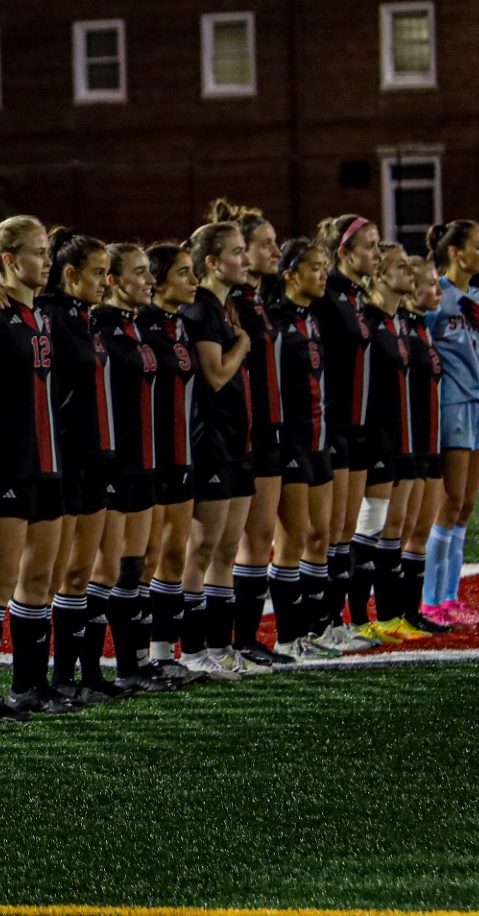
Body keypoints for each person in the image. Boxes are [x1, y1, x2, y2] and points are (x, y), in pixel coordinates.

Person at [0, 215, 66, 719]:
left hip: (47, 462)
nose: (48, 262)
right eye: (38, 252)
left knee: (41, 579)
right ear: (9, 259)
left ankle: (31, 684)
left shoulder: (40, 314)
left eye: (48, 252)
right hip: (5, 463)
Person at [35, 229, 123, 702]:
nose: (105, 282)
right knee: (59, 573)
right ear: (69, 274)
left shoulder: (88, 317)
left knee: (86, 571)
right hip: (65, 457)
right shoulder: (52, 317)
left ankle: (86, 675)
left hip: (95, 457)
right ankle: (55, 678)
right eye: (96, 272)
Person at [178, 221, 261, 680]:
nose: (244, 259)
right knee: (202, 547)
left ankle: (218, 644)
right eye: (236, 251)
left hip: (236, 440)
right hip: (209, 442)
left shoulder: (226, 306)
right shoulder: (202, 309)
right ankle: (190, 648)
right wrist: (244, 342)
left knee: (227, 548)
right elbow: (213, 375)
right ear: (212, 261)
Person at [210, 203, 288, 666]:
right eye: (261, 245)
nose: (273, 250)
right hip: (239, 432)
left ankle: (246, 638)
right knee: (230, 542)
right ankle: (225, 639)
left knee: (260, 537)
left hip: (270, 428)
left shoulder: (258, 297)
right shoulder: (223, 300)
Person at [93, 243, 173, 691]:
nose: (149, 280)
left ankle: (138, 663)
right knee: (117, 567)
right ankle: (121, 667)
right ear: (113, 280)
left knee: (144, 562)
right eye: (139, 272)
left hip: (147, 459)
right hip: (118, 462)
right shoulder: (101, 325)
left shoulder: (135, 325)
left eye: (149, 272)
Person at [309, 215, 381, 651]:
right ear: (344, 251)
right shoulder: (327, 296)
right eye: (369, 246)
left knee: (344, 529)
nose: (375, 253)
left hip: (357, 426)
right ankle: (320, 622)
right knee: (328, 529)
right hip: (332, 424)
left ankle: (333, 621)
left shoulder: (355, 297)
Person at [265, 241, 339, 660]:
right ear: (290, 274)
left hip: (318, 438)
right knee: (291, 539)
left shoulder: (312, 318)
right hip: (291, 442)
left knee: (319, 535)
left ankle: (314, 627)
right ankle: (288, 636)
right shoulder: (277, 321)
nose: (322, 274)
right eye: (314, 267)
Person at [347, 243, 423, 645]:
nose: (407, 273)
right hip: (376, 441)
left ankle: (390, 615)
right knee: (370, 529)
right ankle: (359, 619)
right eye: (399, 267)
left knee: (393, 529)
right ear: (379, 277)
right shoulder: (370, 323)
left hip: (402, 440)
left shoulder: (399, 322)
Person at [136, 243, 201, 686]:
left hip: (181, 453)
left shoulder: (180, 325)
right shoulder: (140, 324)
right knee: (145, 556)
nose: (192, 280)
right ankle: (137, 656)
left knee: (173, 552)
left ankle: (163, 652)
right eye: (183, 273)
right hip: (148, 456)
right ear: (157, 282)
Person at [421, 220, 479, 627]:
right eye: (478, 247)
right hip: (453, 404)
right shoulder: (438, 295)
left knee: (466, 504)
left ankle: (450, 597)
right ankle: (431, 600)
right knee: (449, 503)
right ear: (455, 253)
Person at [398, 256, 449, 632]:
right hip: (408, 444)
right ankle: (391, 612)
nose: (438, 291)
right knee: (398, 533)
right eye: (431, 284)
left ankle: (411, 612)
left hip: (430, 442)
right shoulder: (403, 330)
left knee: (419, 531)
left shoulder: (423, 328)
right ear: (411, 288)